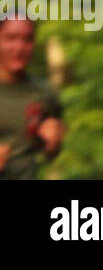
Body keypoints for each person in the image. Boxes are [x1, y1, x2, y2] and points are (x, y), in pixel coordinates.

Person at [0, 16, 64, 180]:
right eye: (11, 38)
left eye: (28, 39)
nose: (20, 47)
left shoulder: (45, 93)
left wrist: (52, 145)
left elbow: (50, 154)